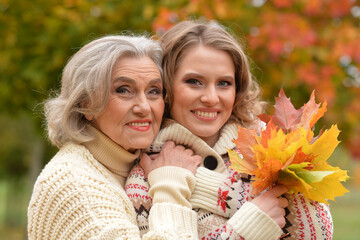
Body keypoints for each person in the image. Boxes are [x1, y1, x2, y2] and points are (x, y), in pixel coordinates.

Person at [125, 20, 333, 240]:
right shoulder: (150, 173)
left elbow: (318, 232)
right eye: (194, 81)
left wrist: (215, 190)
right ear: (164, 86)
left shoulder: (266, 145)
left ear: (238, 88)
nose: (211, 98)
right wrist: (247, 228)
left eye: (224, 83)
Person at [27, 35, 202, 239]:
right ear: (86, 104)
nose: (144, 107)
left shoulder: (148, 162)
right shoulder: (76, 186)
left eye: (154, 91)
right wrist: (171, 188)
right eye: (123, 90)